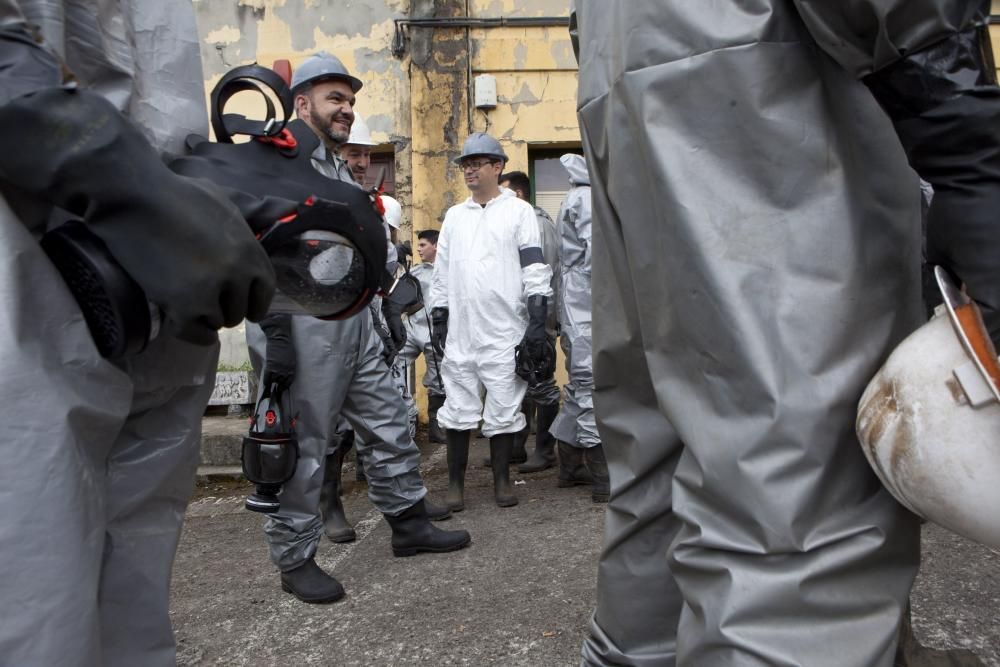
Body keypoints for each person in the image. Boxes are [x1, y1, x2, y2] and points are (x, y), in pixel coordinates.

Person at [571, 1, 1000, 665]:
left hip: (627, 58)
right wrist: (969, 137)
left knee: (666, 450)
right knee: (794, 482)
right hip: (772, 60)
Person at [0, 1, 276, 664]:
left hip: (152, 312)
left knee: (130, 611)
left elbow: (144, 77)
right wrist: (101, 162)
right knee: (35, 612)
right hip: (25, 291)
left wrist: (200, 196)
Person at [246, 52, 469, 605]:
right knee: (304, 443)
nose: (346, 109)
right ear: (302, 103)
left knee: (391, 420)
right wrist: (274, 333)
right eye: (334, 99)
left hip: (353, 322)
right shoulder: (279, 158)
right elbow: (254, 248)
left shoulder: (337, 164)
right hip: (300, 325)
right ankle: (295, 557)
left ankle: (408, 522)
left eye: (349, 100)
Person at [429, 132, 553, 510]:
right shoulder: (454, 216)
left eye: (477, 163)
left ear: (497, 167)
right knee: (458, 406)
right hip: (462, 330)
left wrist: (536, 318)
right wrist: (439, 315)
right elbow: (442, 271)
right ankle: (455, 486)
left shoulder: (518, 212)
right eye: (466, 164)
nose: (469, 169)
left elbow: (534, 265)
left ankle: (501, 481)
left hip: (504, 328)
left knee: (503, 405)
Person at [546, 155, 608, 503]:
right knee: (589, 382)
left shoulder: (576, 196)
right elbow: (597, 254)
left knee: (581, 384)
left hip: (577, 300)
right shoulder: (586, 198)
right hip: (586, 300)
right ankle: (601, 472)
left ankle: (569, 464)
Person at [497, 170, 562, 473]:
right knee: (519, 377)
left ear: (518, 195)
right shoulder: (515, 222)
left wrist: (541, 321)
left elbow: (543, 274)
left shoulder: (537, 223)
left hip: (538, 317)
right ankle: (517, 447)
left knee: (542, 381)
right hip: (516, 316)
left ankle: (546, 451)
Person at [400, 228, 448, 444]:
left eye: (423, 245)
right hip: (411, 332)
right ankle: (402, 420)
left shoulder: (448, 270)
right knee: (396, 365)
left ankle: (436, 426)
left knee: (438, 379)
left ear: (436, 245)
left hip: (435, 334)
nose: (418, 249)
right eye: (418, 245)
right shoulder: (414, 273)